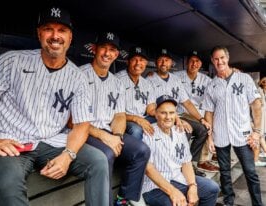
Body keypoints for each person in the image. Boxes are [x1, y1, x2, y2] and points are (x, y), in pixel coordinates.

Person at [0, 5, 109, 206]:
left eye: (62, 30)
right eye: (48, 28)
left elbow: (81, 124)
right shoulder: (13, 61)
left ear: (70, 37)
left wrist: (68, 156)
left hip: (53, 141)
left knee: (98, 161)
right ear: (39, 33)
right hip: (13, 141)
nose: (55, 36)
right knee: (8, 185)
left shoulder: (78, 78)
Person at [79, 32, 150, 206]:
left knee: (141, 150)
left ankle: (123, 199)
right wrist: (105, 137)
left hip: (108, 130)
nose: (107, 53)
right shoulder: (78, 75)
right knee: (107, 153)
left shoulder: (116, 83)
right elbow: (72, 120)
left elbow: (119, 115)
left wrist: (117, 136)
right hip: (83, 130)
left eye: (112, 49)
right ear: (94, 49)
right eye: (103, 47)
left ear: (117, 55)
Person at [203, 45, 263, 206]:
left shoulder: (243, 79)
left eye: (222, 58)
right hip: (220, 133)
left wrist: (257, 132)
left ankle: (258, 203)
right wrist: (209, 137)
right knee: (224, 171)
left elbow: (256, 105)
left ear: (227, 58)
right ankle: (229, 200)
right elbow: (209, 112)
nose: (219, 61)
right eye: (216, 59)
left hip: (242, 134)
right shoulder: (211, 85)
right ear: (212, 61)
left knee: (250, 172)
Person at [142, 95, 220, 206]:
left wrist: (192, 186)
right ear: (156, 113)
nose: (168, 117)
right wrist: (173, 192)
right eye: (163, 113)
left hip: (178, 178)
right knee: (176, 203)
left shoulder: (179, 132)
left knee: (212, 188)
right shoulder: (147, 133)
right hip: (154, 186)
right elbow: (148, 169)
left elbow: (186, 162)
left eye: (171, 113)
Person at [146, 49, 211, 176]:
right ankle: (177, 164)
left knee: (202, 129)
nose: (164, 62)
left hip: (178, 116)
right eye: (161, 59)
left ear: (171, 63)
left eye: (167, 60)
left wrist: (201, 119)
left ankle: (190, 164)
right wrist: (178, 120)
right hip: (161, 117)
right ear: (156, 62)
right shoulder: (149, 80)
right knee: (184, 131)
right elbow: (152, 108)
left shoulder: (175, 79)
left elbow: (186, 102)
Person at [174, 51, 219, 173]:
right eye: (192, 61)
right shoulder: (176, 76)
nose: (194, 64)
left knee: (209, 126)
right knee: (189, 130)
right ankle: (184, 164)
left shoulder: (206, 80)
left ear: (201, 64)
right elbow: (162, 79)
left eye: (197, 61)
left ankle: (195, 161)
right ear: (187, 63)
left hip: (197, 113)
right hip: (180, 113)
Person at [115, 46, 156, 140]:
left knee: (164, 121)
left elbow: (150, 109)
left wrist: (169, 115)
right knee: (136, 130)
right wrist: (136, 119)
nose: (138, 63)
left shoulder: (147, 84)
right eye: (134, 59)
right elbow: (112, 113)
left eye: (141, 60)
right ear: (128, 61)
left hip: (142, 117)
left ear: (146, 63)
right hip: (123, 119)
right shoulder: (117, 80)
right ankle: (137, 153)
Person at [253, 76, 266, 166]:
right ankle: (256, 159)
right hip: (259, 116)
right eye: (264, 82)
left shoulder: (264, 92)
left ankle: (261, 152)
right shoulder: (259, 91)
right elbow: (258, 105)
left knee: (262, 135)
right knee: (260, 135)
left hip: (263, 115)